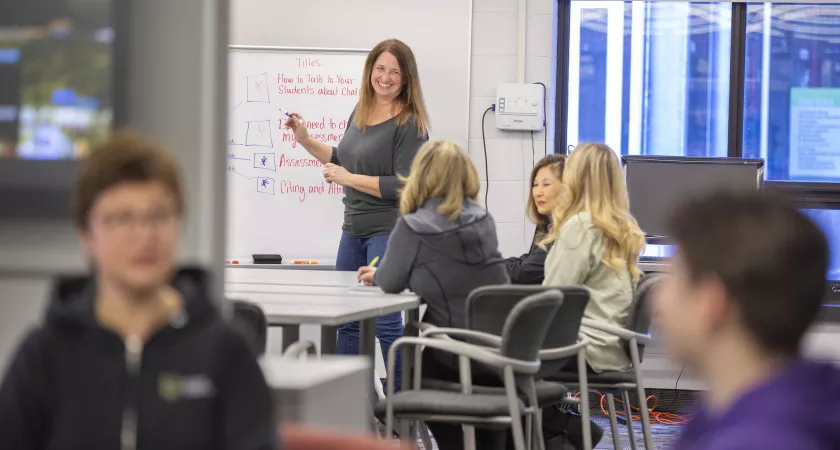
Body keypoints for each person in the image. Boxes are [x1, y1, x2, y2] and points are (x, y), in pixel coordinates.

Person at [0, 132, 278, 450]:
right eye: (122, 219)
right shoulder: (45, 355)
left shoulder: (225, 351)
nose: (144, 235)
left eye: (159, 216)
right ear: (87, 234)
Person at [285, 39, 430, 390]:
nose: (385, 77)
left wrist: (348, 178)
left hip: (388, 231)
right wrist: (305, 139)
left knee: (385, 323)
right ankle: (351, 411)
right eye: (380, 69)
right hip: (352, 230)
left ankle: (401, 412)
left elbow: (404, 186)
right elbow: (341, 159)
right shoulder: (360, 111)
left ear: (406, 79)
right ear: (370, 72)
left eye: (395, 72)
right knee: (346, 322)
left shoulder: (411, 123)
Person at [657, 190, 840, 450]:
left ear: (710, 302)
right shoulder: (722, 413)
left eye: (669, 280)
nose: (657, 304)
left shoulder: (757, 440)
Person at [357, 140, 509, 450]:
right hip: (506, 352)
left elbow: (390, 281)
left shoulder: (414, 226)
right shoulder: (484, 220)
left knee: (415, 369)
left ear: (419, 177)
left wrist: (384, 273)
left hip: (457, 356)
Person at [540, 143, 644, 450]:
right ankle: (563, 431)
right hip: (612, 345)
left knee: (496, 366)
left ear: (576, 178)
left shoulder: (581, 226)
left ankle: (569, 427)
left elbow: (551, 296)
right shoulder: (623, 226)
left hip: (586, 346)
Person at [507, 154, 566, 284]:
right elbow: (530, 261)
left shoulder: (567, 230)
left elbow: (524, 273)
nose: (538, 192)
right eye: (535, 184)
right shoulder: (547, 223)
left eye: (546, 184)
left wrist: (487, 267)